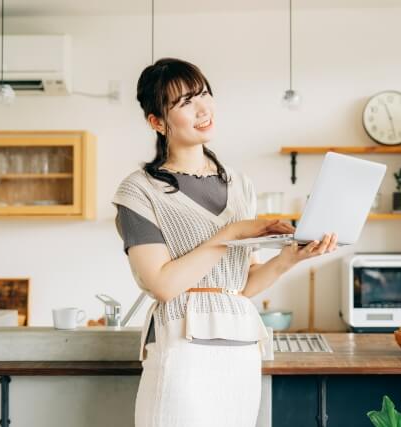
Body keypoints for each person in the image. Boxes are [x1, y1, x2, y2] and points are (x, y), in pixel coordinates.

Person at [112, 57, 337, 427]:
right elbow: (163, 284)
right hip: (181, 349)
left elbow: (241, 284)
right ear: (157, 122)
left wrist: (290, 258)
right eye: (184, 103)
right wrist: (232, 233)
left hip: (240, 348)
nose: (202, 108)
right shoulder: (139, 191)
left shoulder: (239, 185)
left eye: (203, 95)